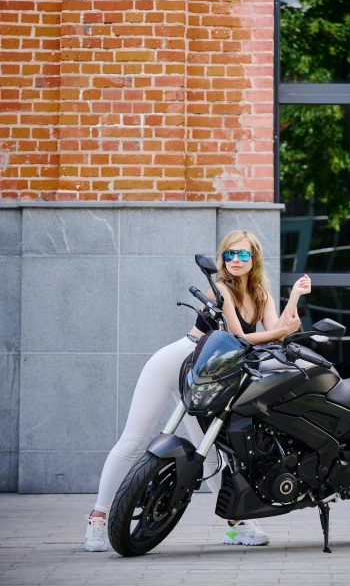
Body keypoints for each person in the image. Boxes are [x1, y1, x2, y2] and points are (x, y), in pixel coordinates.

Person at [84, 229, 311, 551]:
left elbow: (277, 334)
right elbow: (238, 337)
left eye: (243, 254)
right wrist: (285, 329)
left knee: (211, 452)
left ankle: (236, 525)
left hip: (213, 371)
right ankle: (98, 518)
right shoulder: (220, 287)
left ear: (254, 258)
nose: (235, 260)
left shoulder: (262, 295)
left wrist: (296, 299)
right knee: (134, 439)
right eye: (229, 254)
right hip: (179, 360)